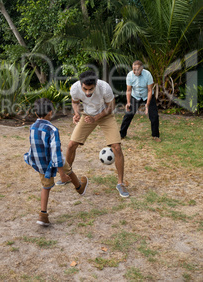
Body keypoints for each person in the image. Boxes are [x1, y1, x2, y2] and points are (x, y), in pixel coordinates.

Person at [56, 70, 129, 198]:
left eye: (91, 89)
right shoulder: (74, 88)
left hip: (105, 115)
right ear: (81, 84)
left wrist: (97, 117)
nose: (88, 93)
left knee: (116, 147)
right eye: (85, 89)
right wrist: (77, 113)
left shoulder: (104, 87)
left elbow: (111, 106)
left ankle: (120, 183)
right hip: (87, 115)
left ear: (96, 84)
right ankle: (66, 176)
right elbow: (75, 102)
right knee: (72, 144)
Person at [24, 98, 88, 226]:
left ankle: (43, 215)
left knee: (45, 186)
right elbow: (55, 154)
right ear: (50, 112)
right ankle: (79, 187)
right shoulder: (52, 129)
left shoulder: (32, 127)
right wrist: (62, 175)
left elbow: (35, 144)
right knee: (67, 169)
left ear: (36, 114)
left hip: (40, 162)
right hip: (52, 159)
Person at [120, 60, 161, 141]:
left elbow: (150, 90)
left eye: (137, 69)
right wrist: (128, 103)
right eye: (134, 69)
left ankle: (155, 135)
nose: (135, 71)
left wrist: (147, 104)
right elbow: (128, 90)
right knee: (128, 115)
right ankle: (122, 134)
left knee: (154, 116)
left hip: (147, 96)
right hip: (135, 96)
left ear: (142, 68)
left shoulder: (147, 74)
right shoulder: (130, 75)